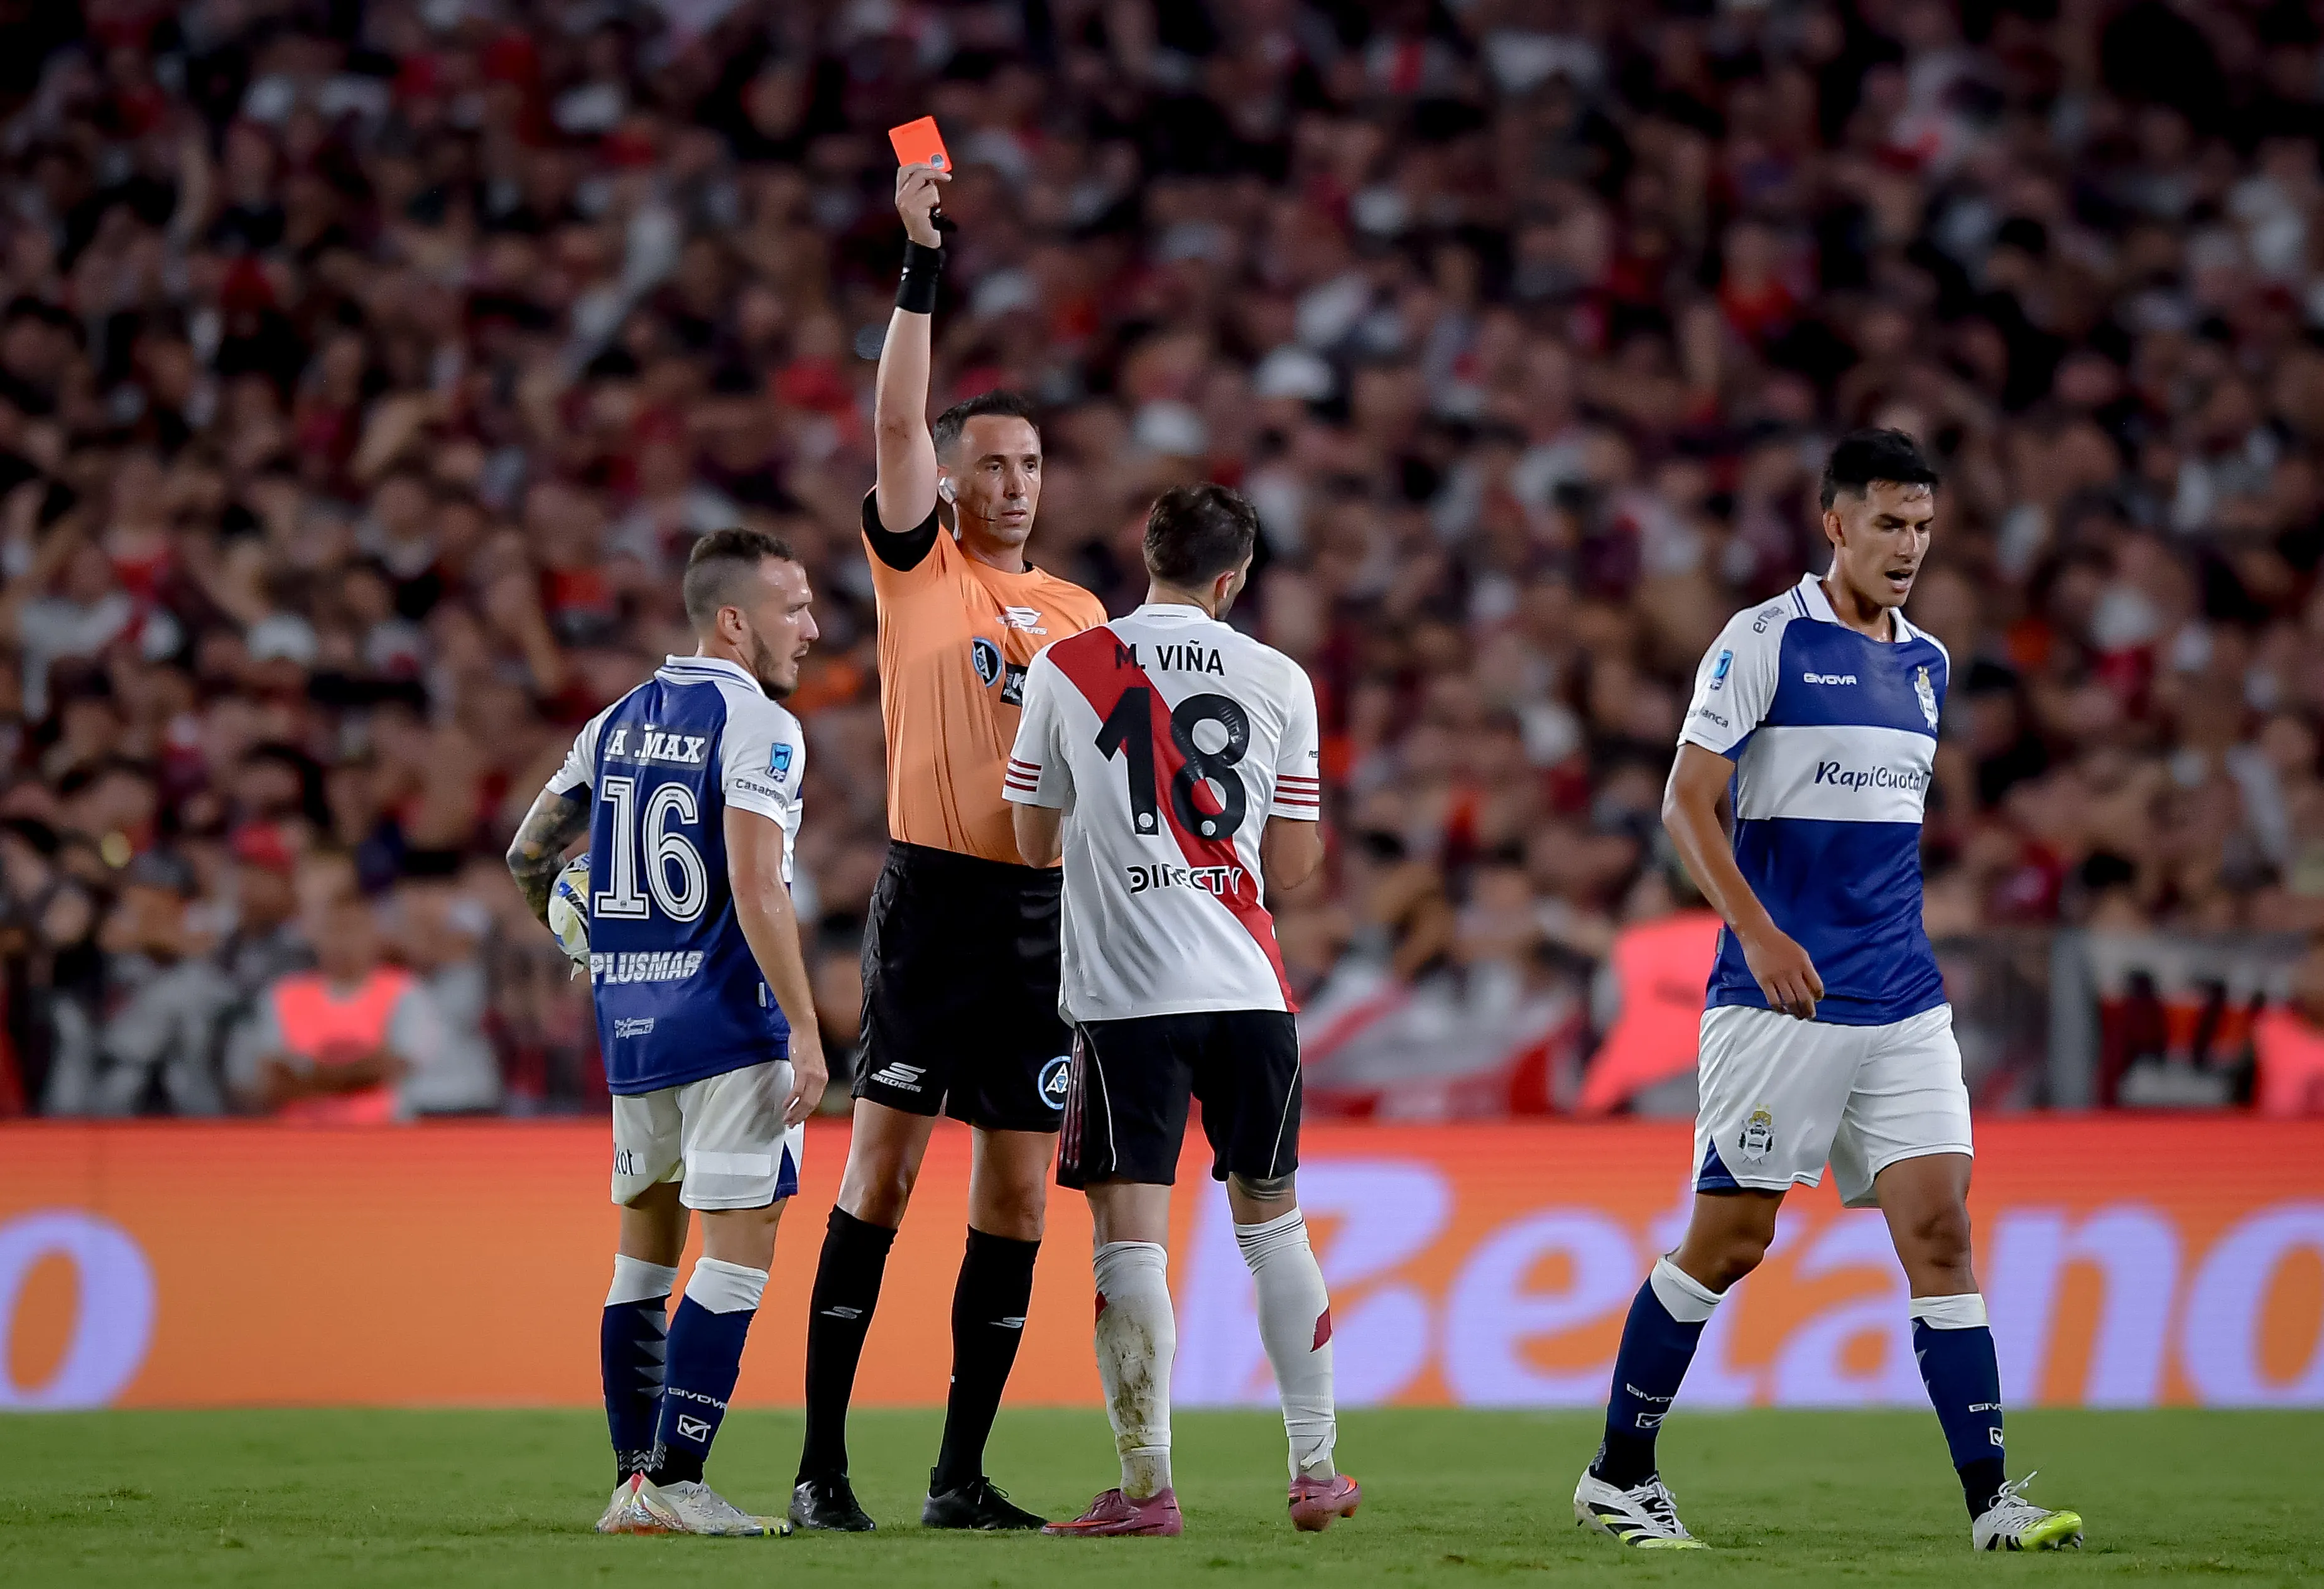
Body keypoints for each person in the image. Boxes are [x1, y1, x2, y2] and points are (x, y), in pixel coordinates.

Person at [1572, 430, 2085, 1553]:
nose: (1909, 547)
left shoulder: (1929, 663)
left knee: (1941, 1230)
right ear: (1834, 523)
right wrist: (1756, 933)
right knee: (1732, 1242)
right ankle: (1618, 1475)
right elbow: (1685, 805)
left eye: (1924, 527)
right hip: (1781, 1001)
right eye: (1889, 524)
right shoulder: (1764, 640)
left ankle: (1994, 1504)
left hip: (1902, 998)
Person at [788, 158, 1107, 1534]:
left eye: (1031, 463)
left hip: (1048, 915)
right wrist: (918, 259)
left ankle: (957, 1473)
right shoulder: (921, 565)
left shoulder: (1083, 606)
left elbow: (1111, 770)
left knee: (1021, 1191)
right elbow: (894, 412)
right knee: (880, 1170)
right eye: (991, 461)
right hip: (932, 902)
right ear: (952, 477)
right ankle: (818, 1467)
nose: (1013, 481)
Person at [1005, 484, 1359, 1538]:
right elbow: (1293, 869)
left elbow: (1031, 844)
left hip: (1124, 1000)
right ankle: (1316, 1467)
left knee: (1130, 1241)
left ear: (1144, 555)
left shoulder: (1068, 665)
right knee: (1273, 1220)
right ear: (1235, 576)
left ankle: (1149, 1489)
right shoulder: (1279, 678)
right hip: (1249, 990)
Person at [504, 527, 827, 1537]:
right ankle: (678, 1481)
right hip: (731, 1021)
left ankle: (631, 1481)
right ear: (734, 620)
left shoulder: (613, 722)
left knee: (643, 1256)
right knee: (739, 1252)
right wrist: (810, 1032)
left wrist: (578, 930)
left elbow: (528, 856)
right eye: (795, 608)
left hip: (634, 1023)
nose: (812, 629)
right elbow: (754, 880)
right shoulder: (759, 725)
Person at [224, 889, 449, 1122]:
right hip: (302, 1139)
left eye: (353, 930)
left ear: (376, 935)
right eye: (334, 930)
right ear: (315, 935)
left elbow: (395, 1067)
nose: (343, 942)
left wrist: (309, 1071)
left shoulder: (405, 992)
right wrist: (356, 1070)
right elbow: (271, 1081)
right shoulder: (283, 995)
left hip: (382, 1134)